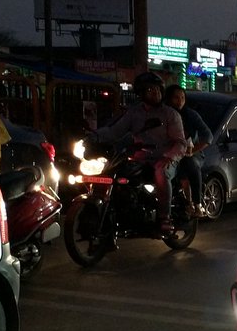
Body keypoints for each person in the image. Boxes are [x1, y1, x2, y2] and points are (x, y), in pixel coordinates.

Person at [90, 71, 186, 231]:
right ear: (141, 93)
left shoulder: (170, 114)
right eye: (150, 90)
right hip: (140, 158)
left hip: (165, 159)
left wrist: (168, 157)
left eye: (157, 89)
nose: (155, 93)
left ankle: (165, 217)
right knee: (113, 171)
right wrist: (93, 137)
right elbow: (115, 131)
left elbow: (181, 143)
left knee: (161, 172)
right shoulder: (134, 113)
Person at [165, 83, 212, 217]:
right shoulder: (163, 114)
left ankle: (196, 204)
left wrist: (193, 150)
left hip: (187, 154)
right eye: (176, 98)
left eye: (182, 98)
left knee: (190, 165)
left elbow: (208, 136)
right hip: (167, 152)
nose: (180, 101)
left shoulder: (191, 115)